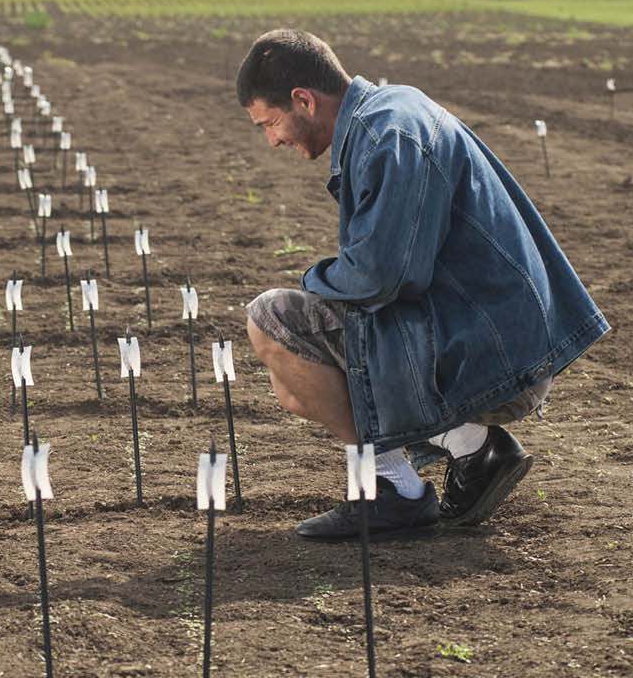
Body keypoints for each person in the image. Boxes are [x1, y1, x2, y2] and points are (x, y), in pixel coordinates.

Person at [236, 29, 608, 539]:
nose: (273, 139)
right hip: (494, 335)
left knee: (273, 322)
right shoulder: (390, 113)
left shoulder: (389, 135)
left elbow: (383, 276)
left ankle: (395, 490)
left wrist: (313, 280)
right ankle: (470, 447)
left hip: (492, 355)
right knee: (300, 363)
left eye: (271, 123)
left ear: (304, 99)